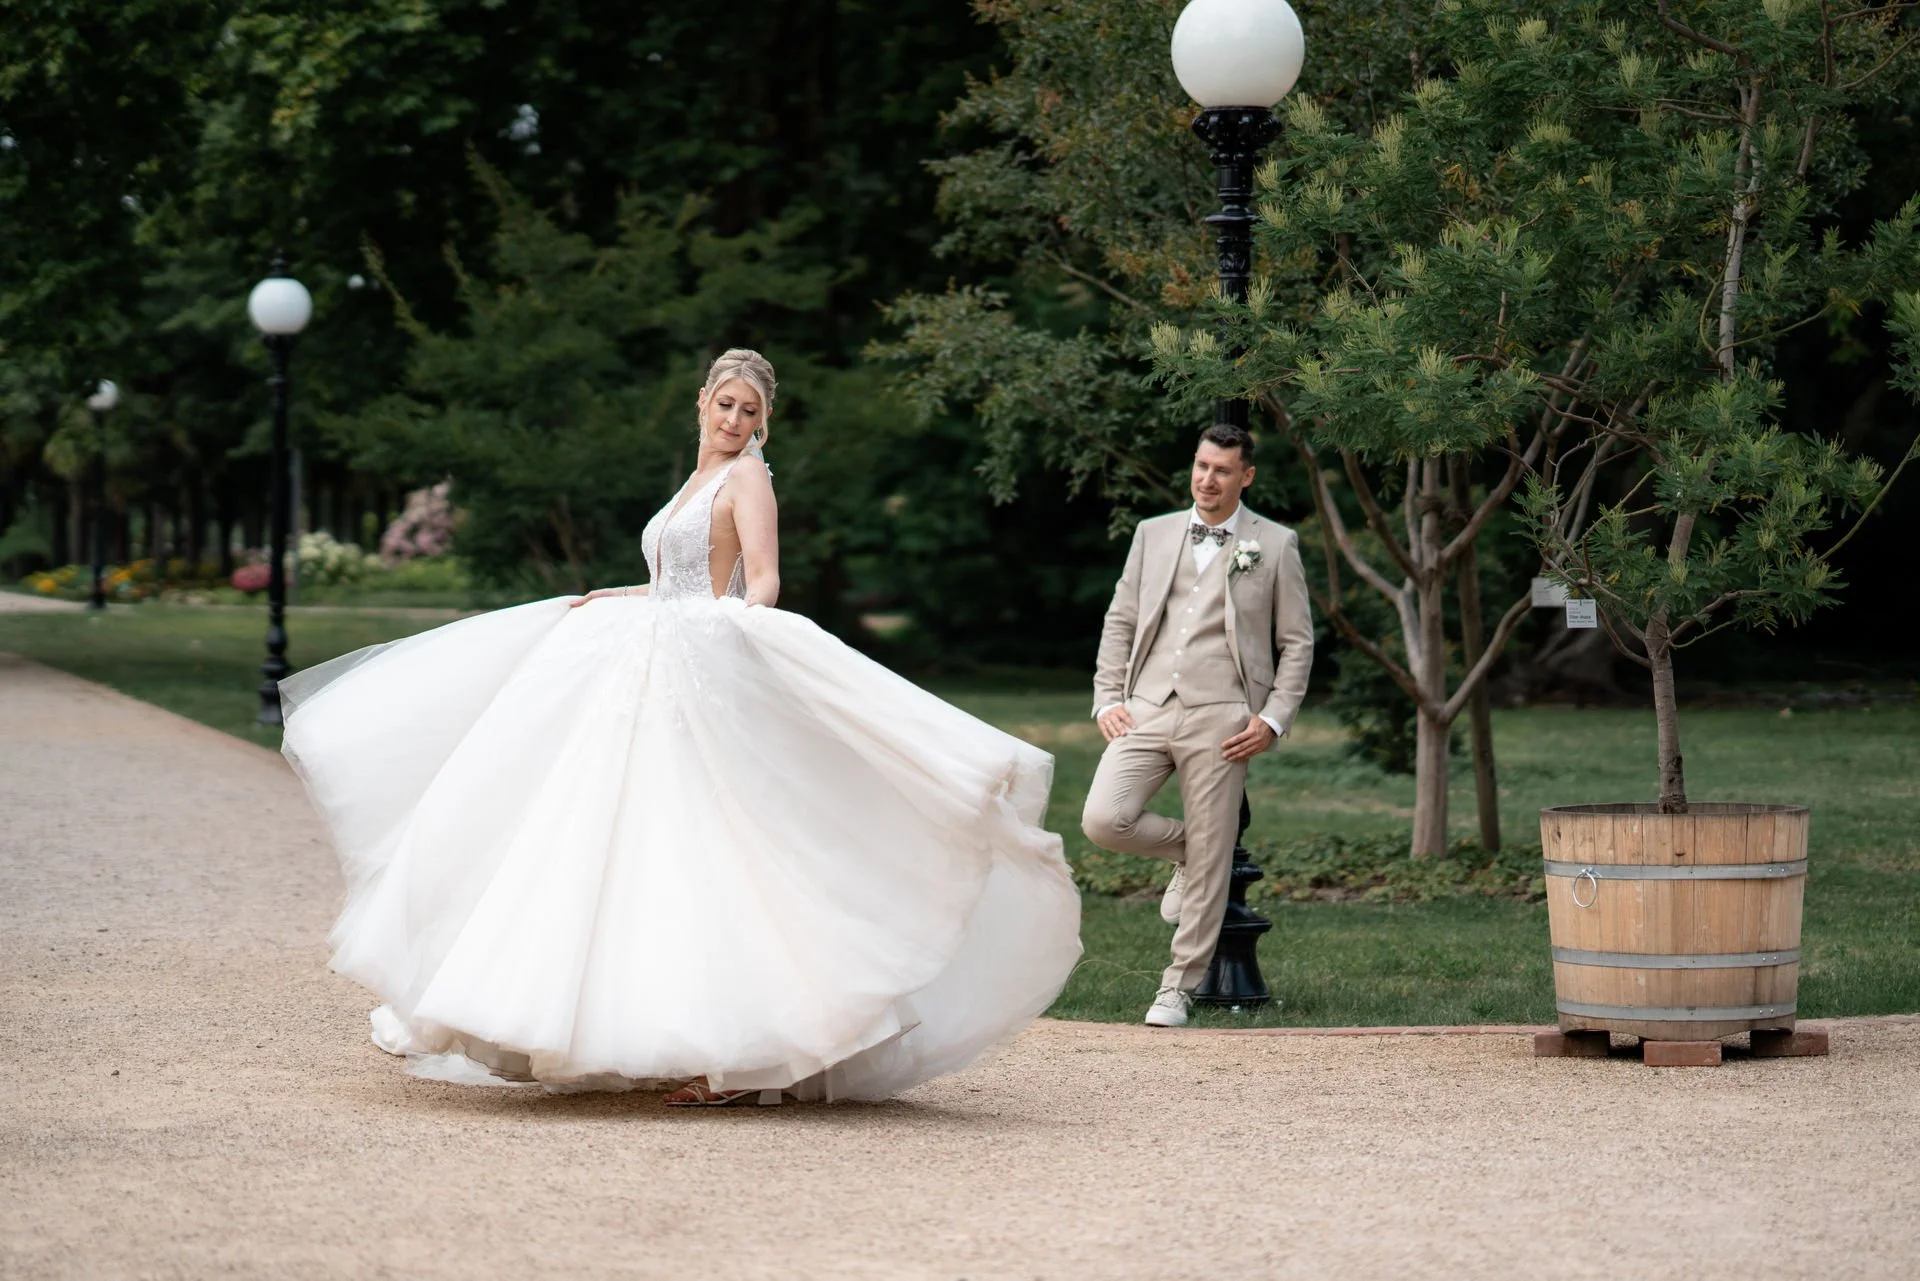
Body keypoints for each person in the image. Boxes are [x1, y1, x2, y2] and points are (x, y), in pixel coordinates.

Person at [279, 348, 1081, 1104]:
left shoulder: (749, 478)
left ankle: (745, 1053)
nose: (733, 419)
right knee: (621, 844)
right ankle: (632, 1026)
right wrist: (616, 597)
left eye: (749, 410)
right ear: (701, 403)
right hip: (649, 662)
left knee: (709, 847)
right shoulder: (696, 481)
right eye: (724, 403)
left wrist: (726, 632)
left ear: (763, 421)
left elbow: (759, 583)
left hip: (698, 671)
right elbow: (674, 582)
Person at [1079, 424, 1312, 1028]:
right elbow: (1121, 618)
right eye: (1202, 466)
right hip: (1149, 704)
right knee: (1105, 818)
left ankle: (1176, 988)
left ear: (1246, 476)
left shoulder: (1276, 544)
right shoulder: (1152, 534)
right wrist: (1109, 697)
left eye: (1223, 470)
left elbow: (1297, 643)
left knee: (1215, 846)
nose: (1208, 479)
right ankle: (1193, 856)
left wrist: (1272, 719)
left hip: (1224, 712)